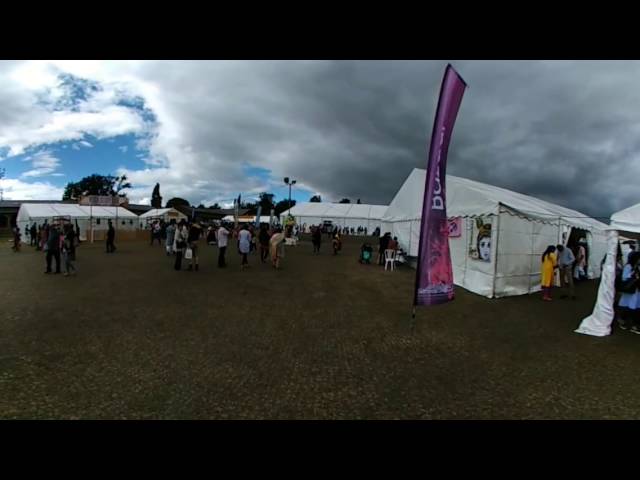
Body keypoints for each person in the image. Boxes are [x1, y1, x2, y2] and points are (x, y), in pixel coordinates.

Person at [617, 251, 640, 334]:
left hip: (636, 291)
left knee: (635, 308)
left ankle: (634, 325)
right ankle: (623, 321)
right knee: (627, 307)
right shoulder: (628, 266)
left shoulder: (637, 266)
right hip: (630, 290)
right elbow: (624, 277)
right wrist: (634, 275)